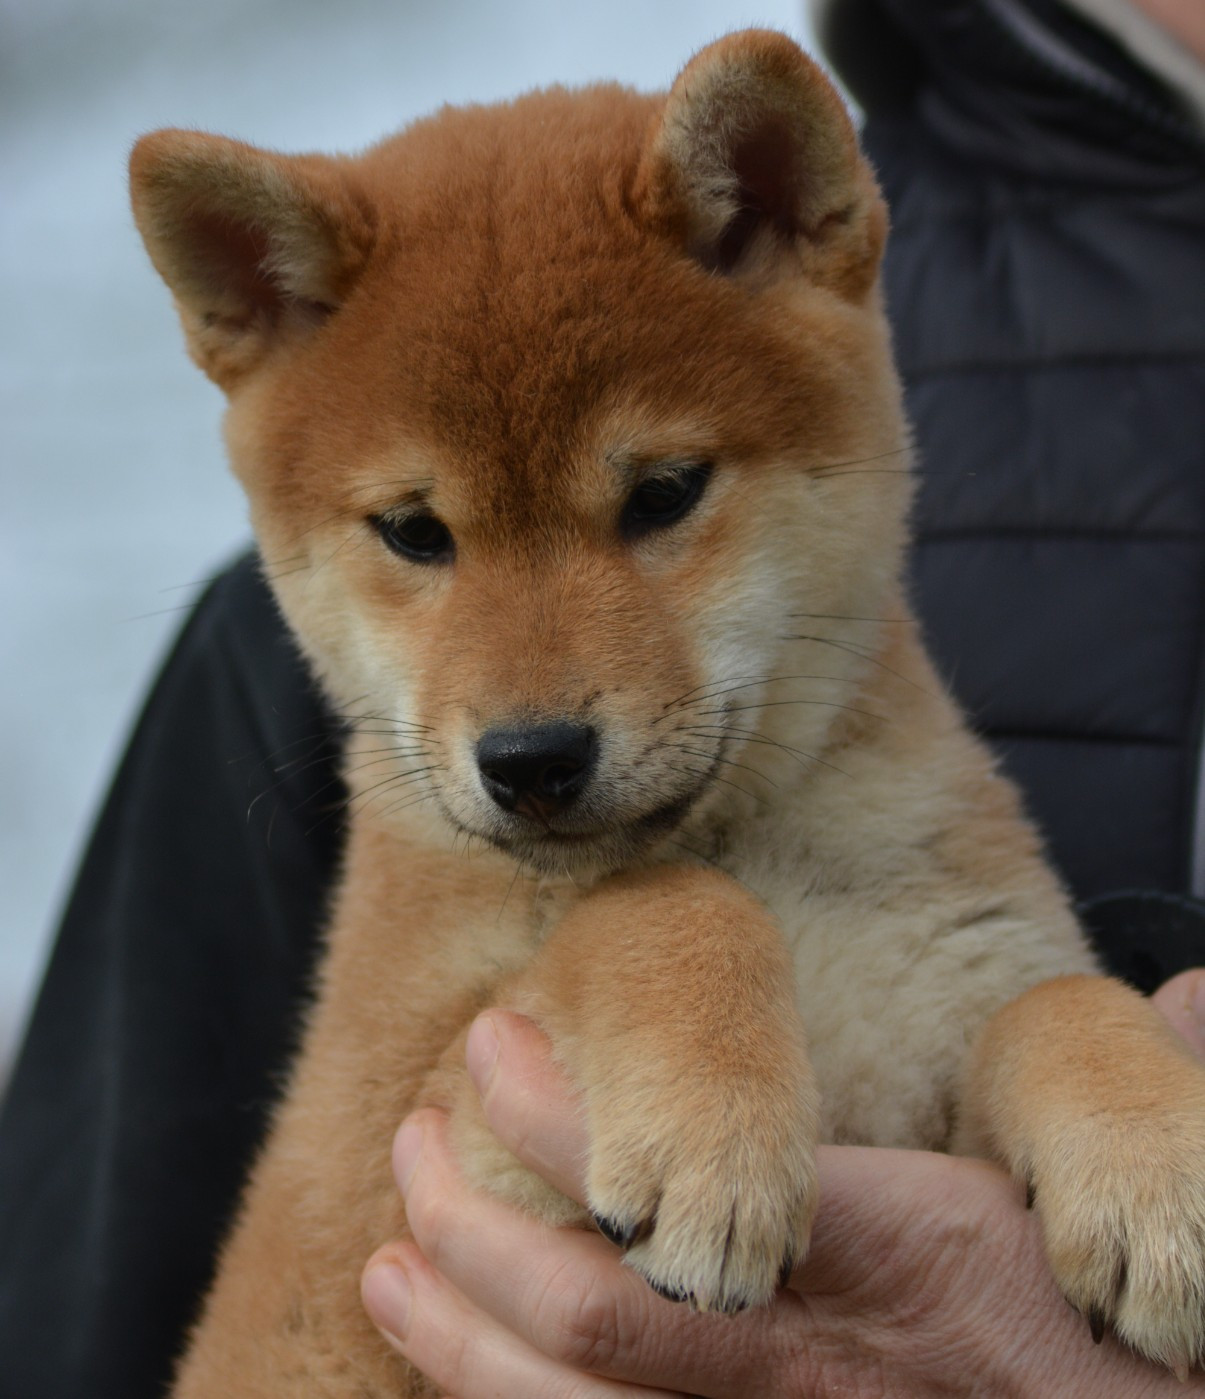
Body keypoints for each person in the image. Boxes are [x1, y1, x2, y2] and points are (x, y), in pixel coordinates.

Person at [0, 0, 1202, 1395]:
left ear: (771, 215)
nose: (530, 703)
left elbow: (962, 1014)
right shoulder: (262, 701)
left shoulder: (912, 799)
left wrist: (1076, 1054)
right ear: (252, 307)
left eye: (658, 497)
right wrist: (660, 959)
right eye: (416, 532)